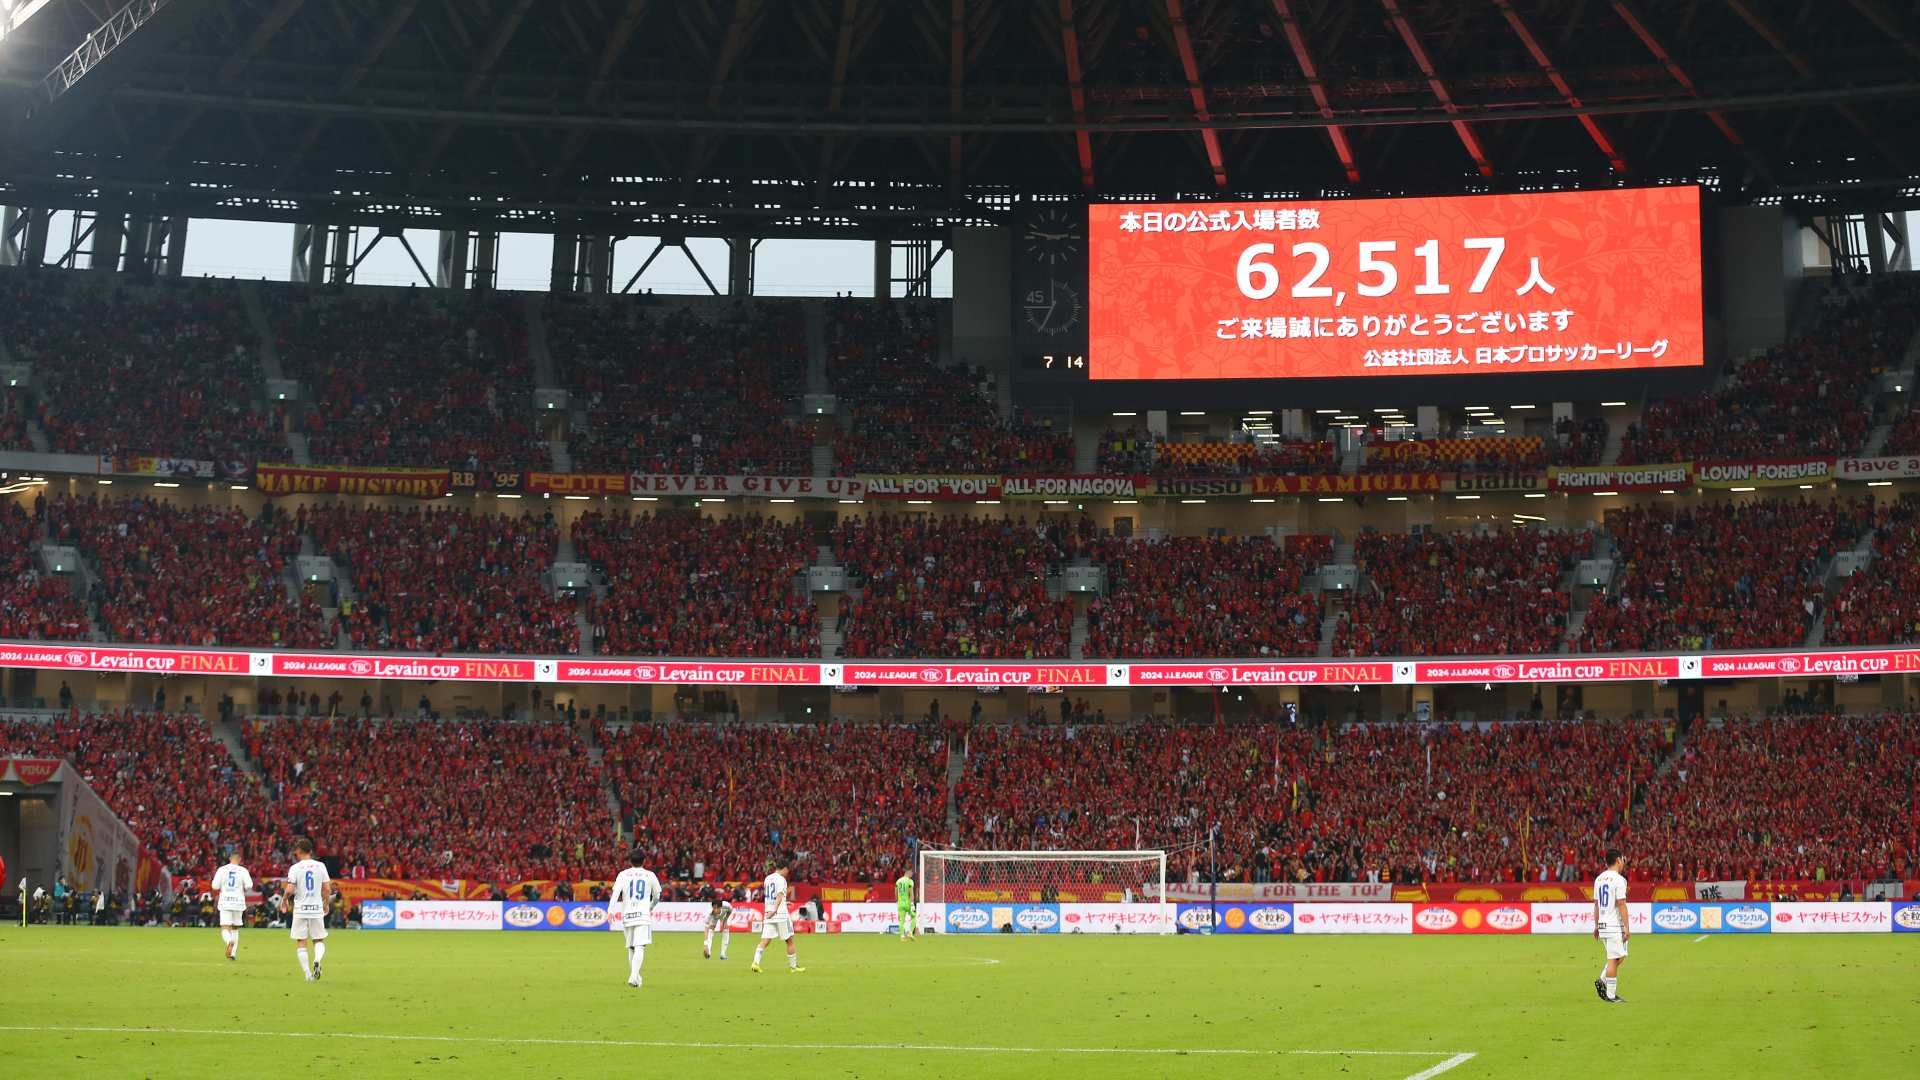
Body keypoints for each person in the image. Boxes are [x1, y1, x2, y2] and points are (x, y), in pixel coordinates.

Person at [608, 847, 661, 988]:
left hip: (628, 915)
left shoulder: (623, 874)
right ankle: (633, 976)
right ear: (644, 861)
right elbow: (657, 896)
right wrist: (650, 906)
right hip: (643, 915)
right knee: (640, 946)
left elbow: (615, 894)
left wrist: (610, 910)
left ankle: (636, 977)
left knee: (631, 947)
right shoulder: (650, 875)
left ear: (630, 861)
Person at [283, 837, 333, 982]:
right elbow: (327, 889)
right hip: (316, 908)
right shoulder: (320, 866)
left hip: (300, 909)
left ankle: (307, 974)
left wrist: (284, 899)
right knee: (318, 939)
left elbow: (290, 889)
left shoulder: (295, 868)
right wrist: (326, 903)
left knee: (301, 941)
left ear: (299, 851)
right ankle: (317, 959)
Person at [751, 854, 804, 974]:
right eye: (787, 870)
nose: (787, 872)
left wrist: (781, 903)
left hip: (768, 913)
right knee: (789, 940)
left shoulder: (768, 878)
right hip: (780, 914)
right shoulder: (781, 880)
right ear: (784, 868)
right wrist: (776, 909)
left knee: (765, 940)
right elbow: (779, 895)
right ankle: (794, 967)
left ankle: (755, 963)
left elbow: (772, 896)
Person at [1593, 848, 1629, 1004]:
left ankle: (1602, 980)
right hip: (1613, 924)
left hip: (1603, 923)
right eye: (1623, 860)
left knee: (1620, 956)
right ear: (1618, 860)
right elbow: (1621, 904)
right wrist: (1627, 927)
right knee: (1614, 958)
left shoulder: (1599, 879)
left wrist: (1596, 925)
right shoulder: (1619, 880)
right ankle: (1611, 995)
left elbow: (1596, 904)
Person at [215, 850, 254, 959]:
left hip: (225, 901)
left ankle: (229, 941)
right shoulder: (243, 870)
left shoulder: (222, 869)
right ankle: (233, 954)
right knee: (235, 928)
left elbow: (215, 886)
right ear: (239, 859)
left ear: (229, 858)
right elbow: (249, 885)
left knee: (225, 927)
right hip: (238, 902)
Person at [703, 895, 734, 960]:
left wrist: (725, 919)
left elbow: (730, 911)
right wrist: (705, 945)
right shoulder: (709, 912)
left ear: (721, 907)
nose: (715, 910)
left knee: (726, 929)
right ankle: (708, 952)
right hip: (714, 917)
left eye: (717, 908)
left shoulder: (727, 905)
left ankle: (723, 954)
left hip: (724, 915)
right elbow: (706, 928)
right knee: (711, 929)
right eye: (714, 908)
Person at [895, 866, 917, 941]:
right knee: (914, 917)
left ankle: (902, 937)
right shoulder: (910, 881)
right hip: (908, 903)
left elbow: (895, 893)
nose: (912, 874)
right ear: (908, 872)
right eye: (911, 872)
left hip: (900, 903)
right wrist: (912, 904)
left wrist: (897, 901)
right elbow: (911, 894)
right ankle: (910, 932)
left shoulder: (898, 881)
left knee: (901, 921)